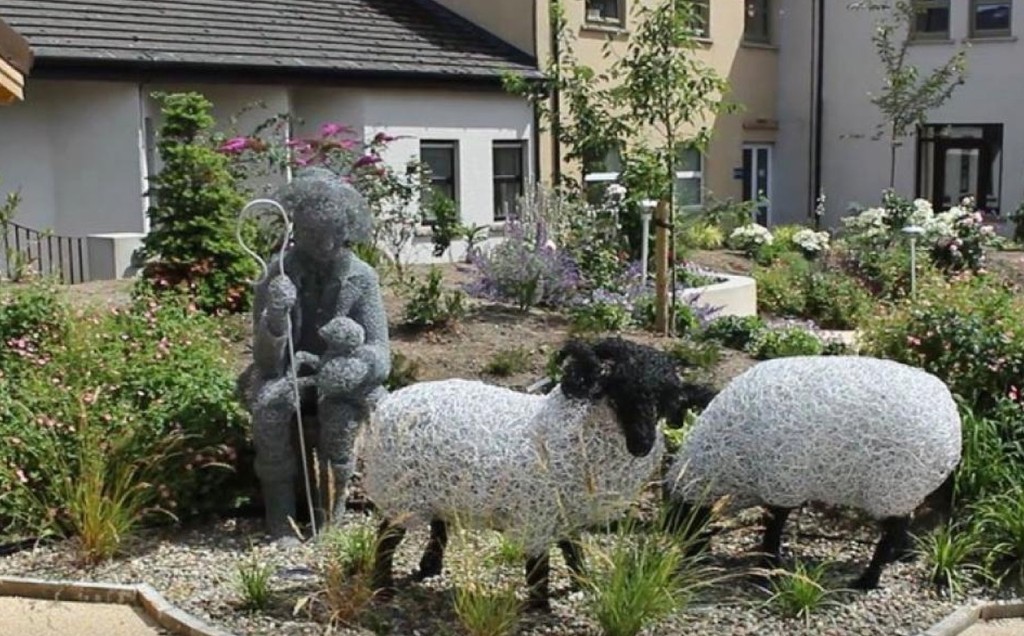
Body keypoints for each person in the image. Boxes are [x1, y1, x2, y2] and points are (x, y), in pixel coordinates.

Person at [240, 167, 391, 540]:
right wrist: (275, 319)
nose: (320, 245)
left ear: (344, 232)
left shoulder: (362, 277)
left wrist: (355, 367)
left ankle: (330, 523)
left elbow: (380, 351)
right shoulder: (277, 274)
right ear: (296, 231)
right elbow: (263, 359)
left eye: (329, 236)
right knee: (269, 412)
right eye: (309, 234)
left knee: (339, 424)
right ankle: (282, 522)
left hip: (338, 379)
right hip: (287, 372)